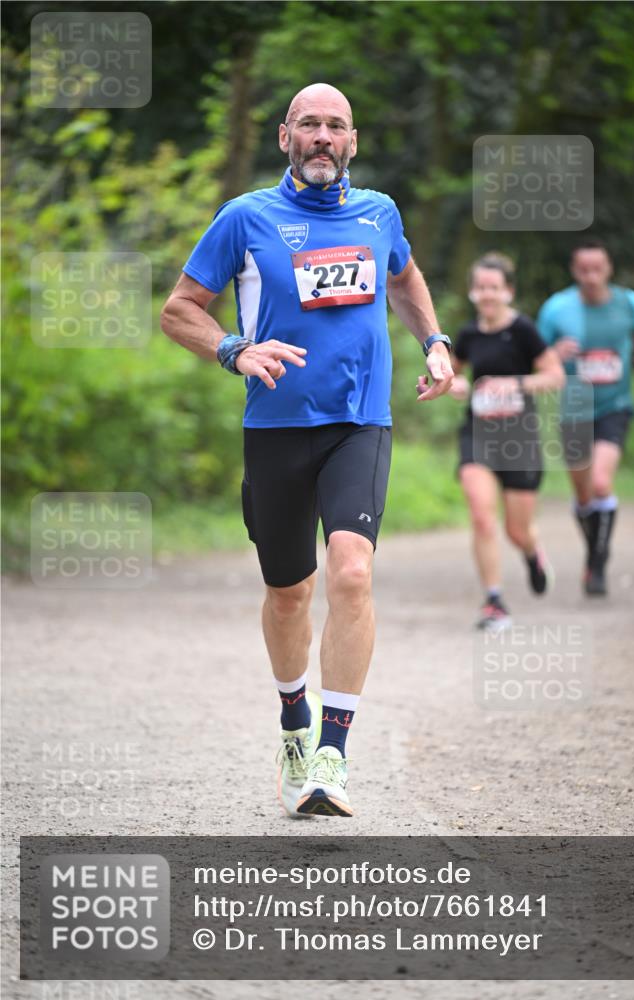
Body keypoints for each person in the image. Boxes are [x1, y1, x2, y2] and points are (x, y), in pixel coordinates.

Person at [160, 83, 454, 818]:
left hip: (360, 424)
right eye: (309, 126)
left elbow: (405, 275)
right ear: (286, 137)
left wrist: (435, 342)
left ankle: (333, 751)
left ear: (351, 142)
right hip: (276, 430)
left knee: (351, 571)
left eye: (336, 127)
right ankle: (294, 723)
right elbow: (178, 310)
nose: (322, 137)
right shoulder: (246, 217)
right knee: (289, 592)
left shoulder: (378, 212)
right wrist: (234, 349)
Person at [448, 253, 564, 631]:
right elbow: (452, 374)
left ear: (508, 291)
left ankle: (532, 553)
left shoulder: (524, 330)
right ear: (472, 292)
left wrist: (514, 383)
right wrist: (456, 384)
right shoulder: (467, 335)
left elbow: (554, 375)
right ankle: (494, 600)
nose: (487, 294)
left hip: (519, 439)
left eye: (494, 287)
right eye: (480, 287)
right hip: (478, 434)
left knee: (517, 530)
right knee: (482, 516)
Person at [537, 241, 634, 595]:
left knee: (602, 483)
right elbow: (537, 354)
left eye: (597, 269)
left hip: (614, 404)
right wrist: (555, 354)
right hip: (573, 406)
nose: (591, 276)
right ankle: (594, 552)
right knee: (584, 493)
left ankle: (598, 562)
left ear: (609, 269)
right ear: (575, 271)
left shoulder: (629, 302)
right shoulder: (557, 308)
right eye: (584, 270)